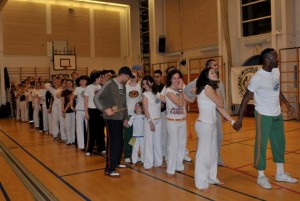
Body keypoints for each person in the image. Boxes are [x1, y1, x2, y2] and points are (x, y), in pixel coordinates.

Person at [233, 48, 298, 189]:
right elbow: (245, 99)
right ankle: (261, 176)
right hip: (263, 114)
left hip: (277, 113)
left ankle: (280, 173)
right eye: (275, 57)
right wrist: (239, 120)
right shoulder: (258, 78)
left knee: (280, 143)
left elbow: (277, 90)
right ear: (268, 60)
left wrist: (287, 104)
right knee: (261, 145)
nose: (278, 59)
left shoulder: (276, 70)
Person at [194, 67, 235, 192]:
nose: (215, 73)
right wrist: (217, 87)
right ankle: (200, 182)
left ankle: (211, 177)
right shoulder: (208, 88)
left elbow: (219, 108)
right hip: (204, 125)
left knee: (213, 153)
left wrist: (232, 121)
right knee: (204, 155)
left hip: (211, 124)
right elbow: (221, 103)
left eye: (215, 72)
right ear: (206, 76)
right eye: (212, 73)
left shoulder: (210, 88)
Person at [94, 66, 134, 177]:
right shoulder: (109, 84)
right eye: (128, 76)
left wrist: (125, 117)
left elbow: (124, 103)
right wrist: (105, 109)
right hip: (110, 118)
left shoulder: (123, 86)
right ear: (123, 75)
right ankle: (109, 169)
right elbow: (96, 98)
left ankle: (116, 162)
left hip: (120, 118)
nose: (128, 79)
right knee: (113, 143)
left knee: (119, 141)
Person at [184, 59, 226, 165]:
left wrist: (224, 114)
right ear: (208, 68)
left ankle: (217, 158)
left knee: (218, 137)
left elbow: (222, 100)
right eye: (214, 65)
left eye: (217, 65)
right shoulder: (200, 80)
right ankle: (201, 160)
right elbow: (187, 89)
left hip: (217, 113)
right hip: (206, 115)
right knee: (204, 140)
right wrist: (196, 92)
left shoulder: (218, 81)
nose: (217, 67)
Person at [164, 69, 194, 177]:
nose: (176, 80)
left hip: (182, 120)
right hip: (172, 121)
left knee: (182, 144)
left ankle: (178, 165)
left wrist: (194, 90)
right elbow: (180, 104)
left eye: (178, 78)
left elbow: (191, 100)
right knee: (174, 144)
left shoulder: (180, 89)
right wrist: (181, 90)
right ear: (170, 79)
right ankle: (170, 169)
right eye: (174, 78)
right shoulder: (168, 91)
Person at [141, 75, 163, 170]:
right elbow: (145, 110)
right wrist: (150, 122)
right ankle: (148, 163)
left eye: (146, 83)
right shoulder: (145, 95)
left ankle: (158, 162)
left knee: (158, 142)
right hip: (150, 121)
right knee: (149, 142)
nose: (145, 85)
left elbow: (160, 105)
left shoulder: (157, 93)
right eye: (143, 84)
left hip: (159, 120)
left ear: (152, 83)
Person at [84, 71, 105, 156]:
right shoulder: (89, 87)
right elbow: (85, 101)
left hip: (100, 111)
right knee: (92, 131)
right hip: (92, 111)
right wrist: (86, 112)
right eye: (100, 77)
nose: (101, 79)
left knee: (100, 130)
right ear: (96, 78)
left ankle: (101, 148)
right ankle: (89, 149)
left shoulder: (100, 86)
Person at [124, 71, 142, 163]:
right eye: (131, 76)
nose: (132, 77)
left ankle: (134, 154)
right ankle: (127, 154)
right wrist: (124, 116)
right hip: (128, 114)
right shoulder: (125, 87)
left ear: (137, 77)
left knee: (135, 136)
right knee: (128, 135)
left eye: (134, 76)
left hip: (138, 114)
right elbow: (122, 102)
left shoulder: (140, 87)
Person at [153, 70, 168, 164]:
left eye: (158, 76)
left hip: (164, 113)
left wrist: (163, 103)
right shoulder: (152, 87)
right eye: (154, 76)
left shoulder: (165, 87)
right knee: (156, 134)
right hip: (154, 114)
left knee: (165, 133)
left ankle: (165, 153)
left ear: (161, 77)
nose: (156, 78)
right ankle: (157, 153)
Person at [73, 75, 89, 150]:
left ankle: (88, 144)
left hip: (88, 110)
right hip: (79, 110)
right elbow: (71, 98)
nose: (82, 81)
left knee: (88, 128)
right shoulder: (77, 88)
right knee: (79, 128)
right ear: (79, 82)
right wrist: (71, 106)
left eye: (84, 80)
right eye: (81, 80)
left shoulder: (89, 88)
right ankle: (81, 145)